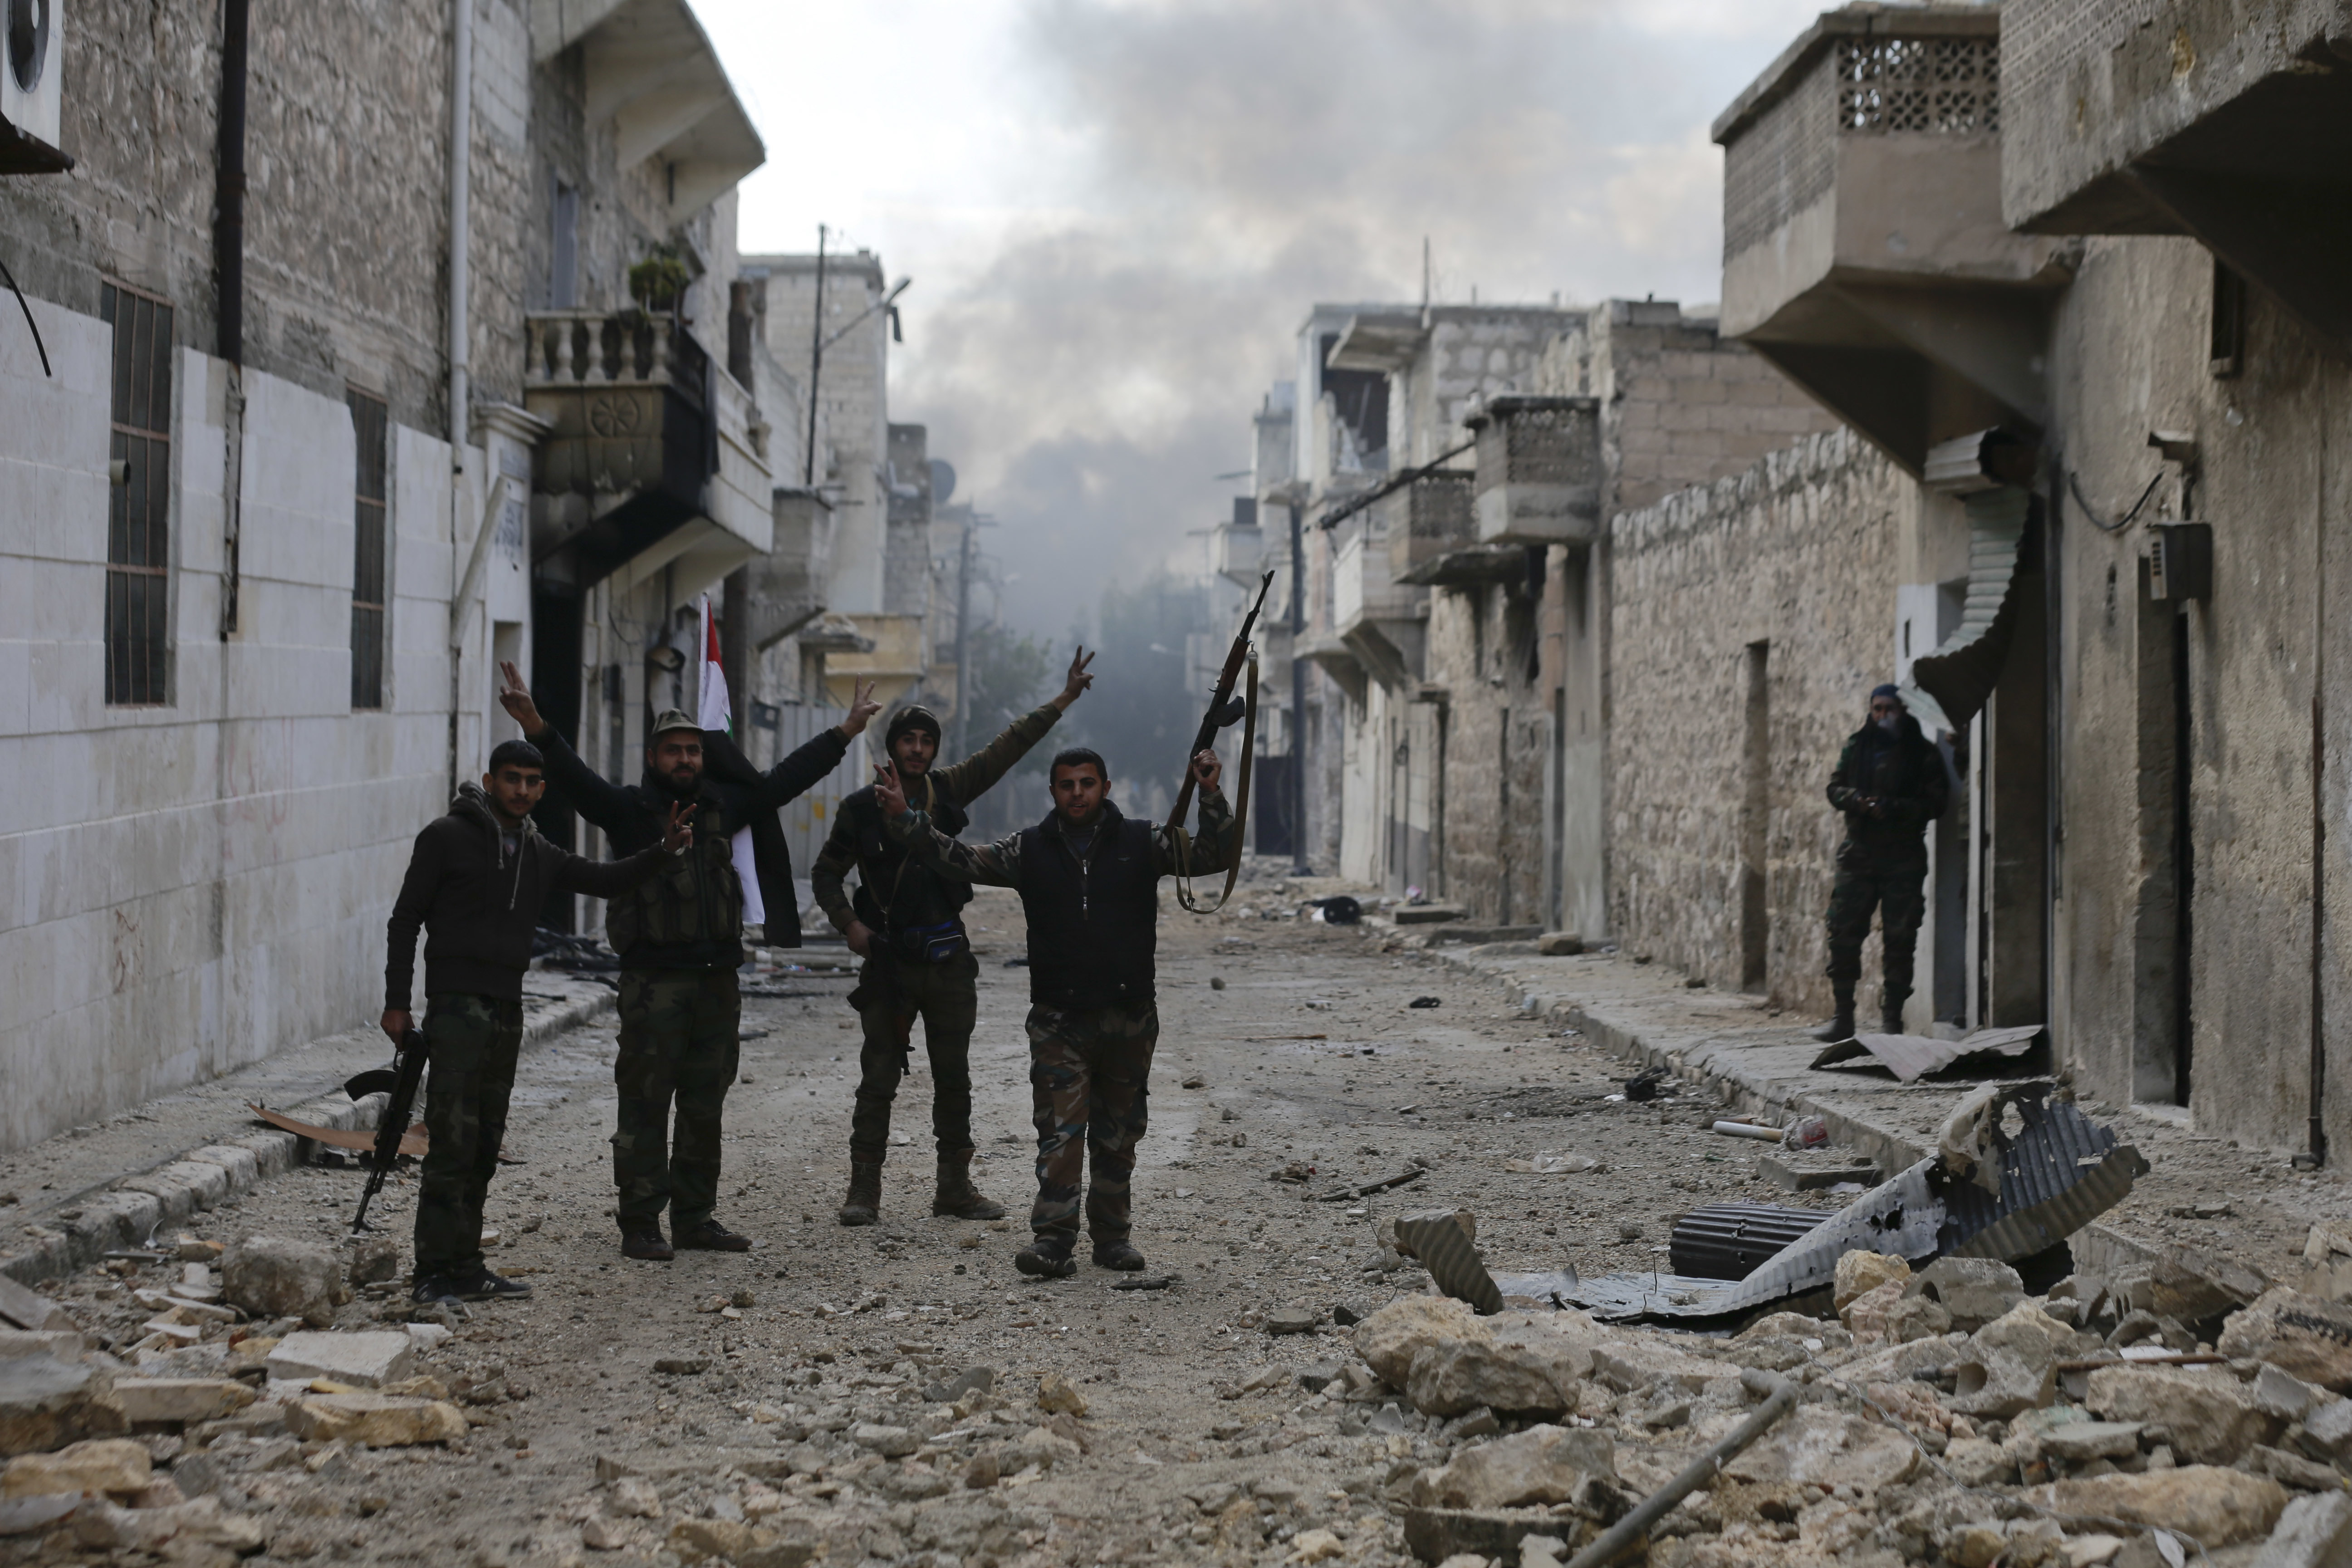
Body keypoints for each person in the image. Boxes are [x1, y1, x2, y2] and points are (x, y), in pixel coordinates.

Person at [496, 662, 882, 1260]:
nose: (684, 760)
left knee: (705, 1105)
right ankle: (641, 1224)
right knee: (646, 1106)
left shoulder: (723, 808)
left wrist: (846, 731)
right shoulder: (629, 813)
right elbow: (574, 779)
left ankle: (696, 1218)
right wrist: (537, 726)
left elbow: (787, 779)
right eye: (673, 751)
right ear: (653, 758)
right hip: (655, 984)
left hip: (717, 983)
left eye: (692, 751)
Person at [872, 743, 1236, 1278]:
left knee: (1118, 1135)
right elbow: (961, 858)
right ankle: (1053, 1240)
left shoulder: (1145, 840)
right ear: (1054, 792)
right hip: (1059, 1018)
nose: (1078, 794)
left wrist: (1210, 793)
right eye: (1067, 785)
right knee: (1061, 1135)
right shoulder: (1030, 850)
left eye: (1087, 783)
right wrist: (908, 821)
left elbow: (1213, 856)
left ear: (1105, 788)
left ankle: (1113, 1240)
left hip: (1128, 1013)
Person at [383, 740, 691, 1305]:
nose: (521, 790)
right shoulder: (445, 838)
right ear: (491, 780)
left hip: (506, 1010)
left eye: (531, 781)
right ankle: (432, 1273)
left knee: (485, 1143)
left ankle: (468, 1266)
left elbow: (604, 879)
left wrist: (663, 851)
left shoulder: (536, 849)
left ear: (542, 791)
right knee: (452, 1143)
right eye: (511, 779)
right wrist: (397, 1002)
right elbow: (405, 921)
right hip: (455, 1007)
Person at [812, 649, 1098, 1227]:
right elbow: (825, 873)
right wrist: (852, 926)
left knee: (954, 1077)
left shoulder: (950, 790)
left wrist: (1063, 700)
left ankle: (954, 1189)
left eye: (926, 740)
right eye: (907, 740)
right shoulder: (861, 810)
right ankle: (864, 1190)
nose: (917, 750)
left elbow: (1007, 747)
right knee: (878, 1079)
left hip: (948, 960)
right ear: (891, 746)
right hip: (889, 964)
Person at [1814, 683, 1950, 1042]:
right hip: (1859, 854)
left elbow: (1937, 803)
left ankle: (1892, 1019)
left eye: (1890, 709)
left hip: (1903, 857)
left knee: (1900, 938)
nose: (1883, 716)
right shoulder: (1858, 747)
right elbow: (1834, 789)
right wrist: (1857, 800)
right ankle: (1843, 1016)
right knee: (1843, 933)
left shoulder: (1923, 753)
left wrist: (1895, 808)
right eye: (1877, 709)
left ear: (1903, 712)